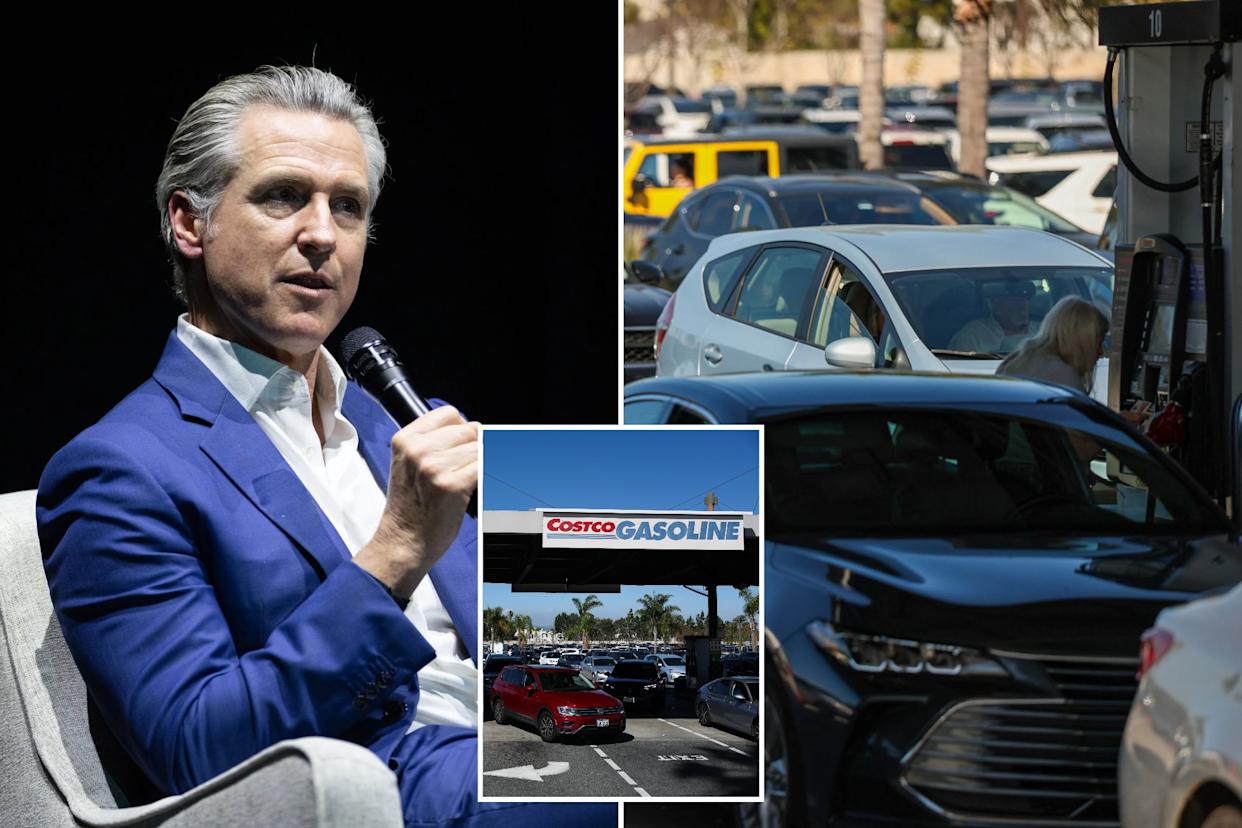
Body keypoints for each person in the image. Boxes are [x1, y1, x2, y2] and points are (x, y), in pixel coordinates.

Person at [36, 66, 610, 828]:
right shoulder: (119, 470)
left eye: (348, 207)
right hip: (382, 771)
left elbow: (538, 637)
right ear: (189, 223)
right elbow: (197, 750)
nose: (321, 233)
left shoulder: (406, 424)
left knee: (735, 746)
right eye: (282, 196)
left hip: (519, 726)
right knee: (607, 794)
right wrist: (396, 550)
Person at [996, 294, 1107, 395]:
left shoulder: (1014, 361)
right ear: (1081, 341)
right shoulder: (1065, 377)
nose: (1100, 352)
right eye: (1097, 343)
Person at [948, 280, 1036, 353]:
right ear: (996, 304)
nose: (1022, 307)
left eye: (1025, 299)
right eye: (1015, 301)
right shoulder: (972, 336)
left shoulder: (1043, 331)